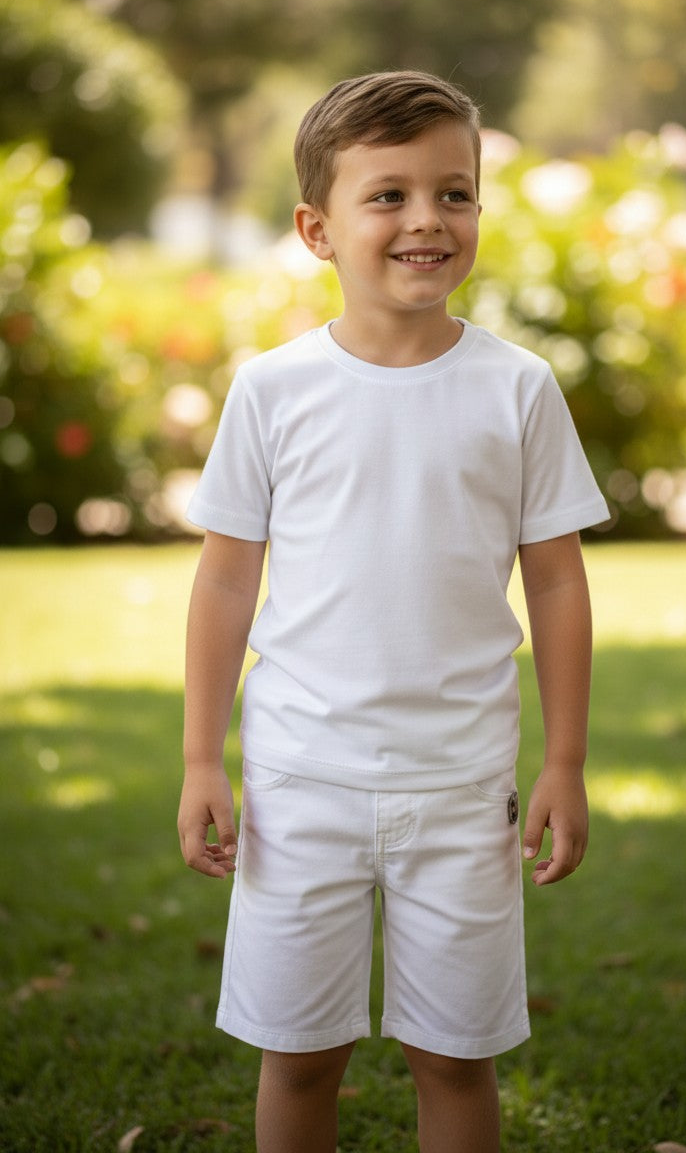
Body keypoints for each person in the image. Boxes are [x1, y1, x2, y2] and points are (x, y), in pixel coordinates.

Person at [178, 70, 609, 1153]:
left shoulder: (518, 389)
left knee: (454, 1057)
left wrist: (563, 762)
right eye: (389, 196)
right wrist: (199, 760)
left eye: (454, 193)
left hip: (462, 786)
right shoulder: (271, 391)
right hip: (298, 783)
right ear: (316, 230)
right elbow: (225, 581)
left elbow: (557, 582)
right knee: (300, 1054)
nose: (427, 219)